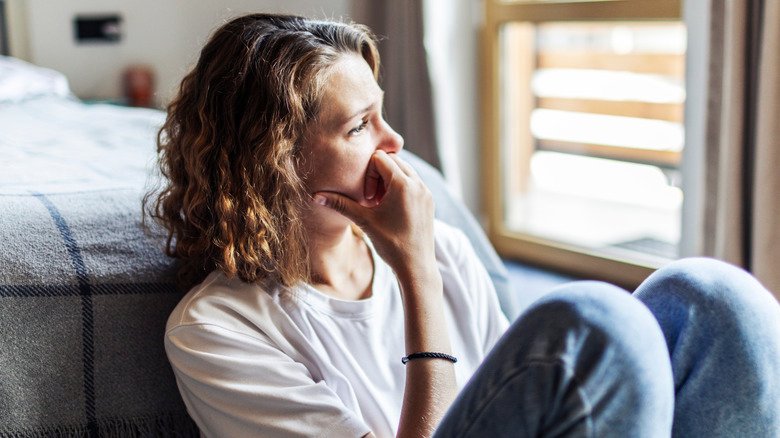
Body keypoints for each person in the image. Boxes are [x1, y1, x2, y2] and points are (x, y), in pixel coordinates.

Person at [147, 13, 780, 437]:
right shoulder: (217, 330)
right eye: (359, 126)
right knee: (595, 323)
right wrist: (416, 273)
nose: (394, 142)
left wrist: (427, 257)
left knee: (712, 298)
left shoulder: (444, 246)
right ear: (275, 163)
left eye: (383, 115)